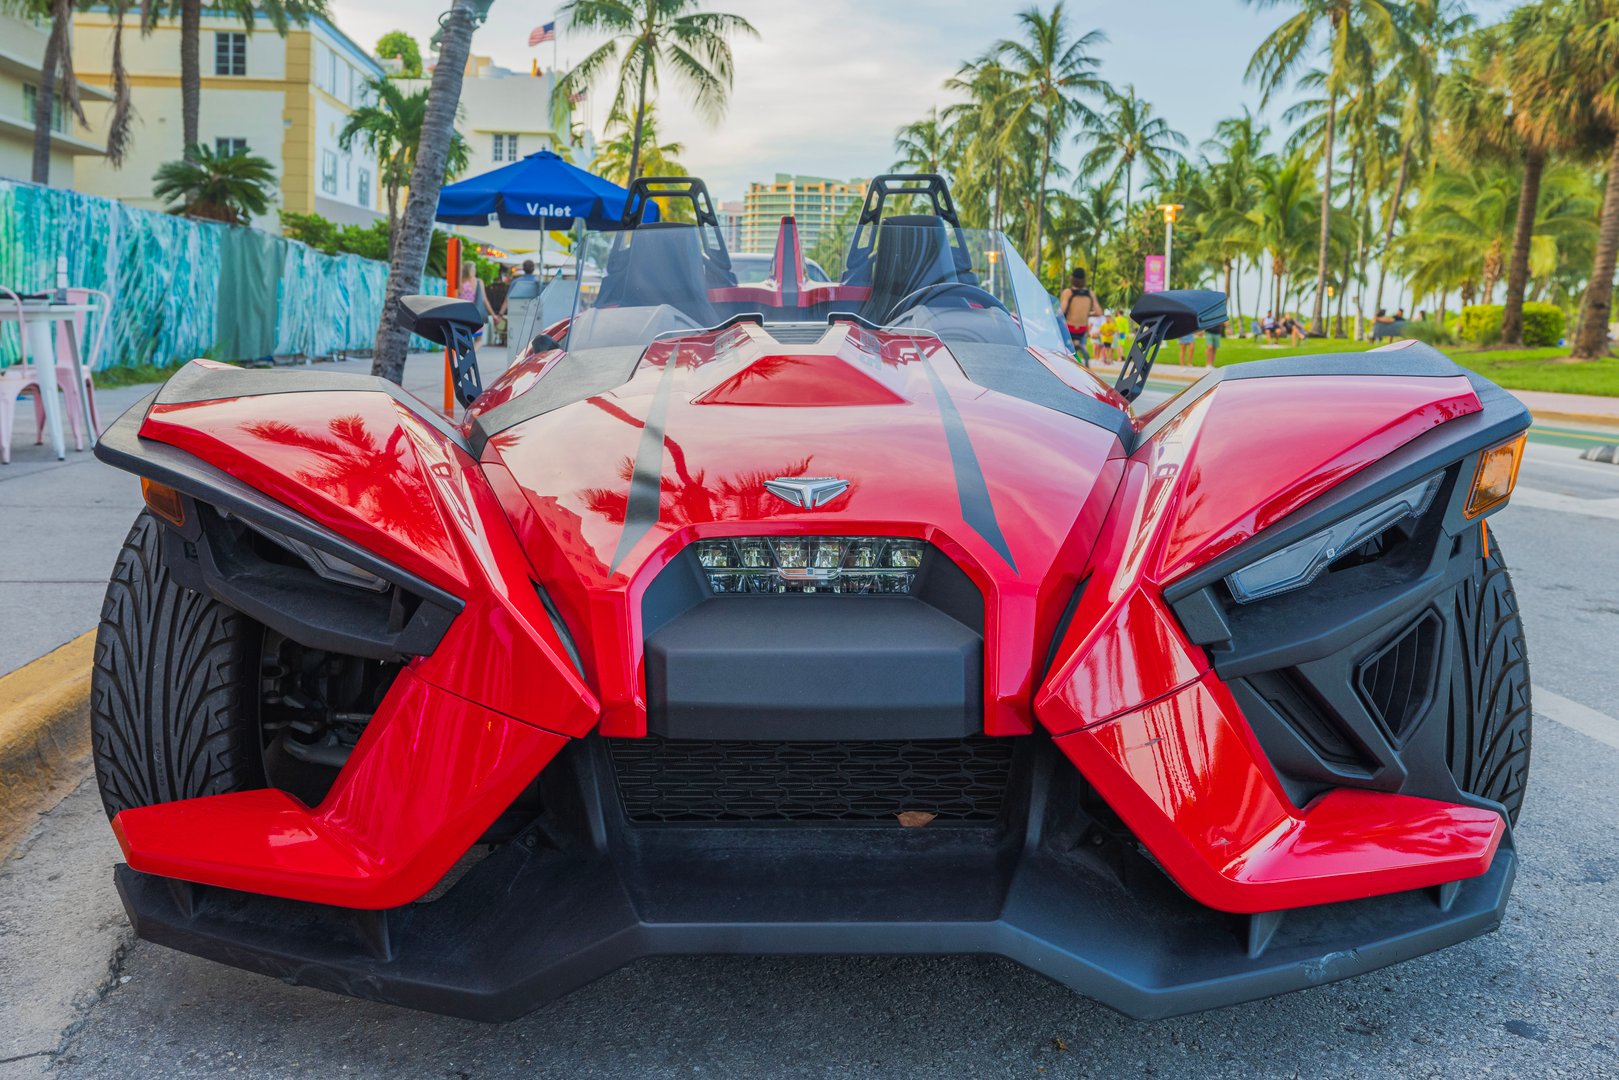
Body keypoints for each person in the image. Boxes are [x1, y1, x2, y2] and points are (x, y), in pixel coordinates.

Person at [1058, 268, 1098, 360]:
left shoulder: (1068, 292)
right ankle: (1082, 354)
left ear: (1072, 278)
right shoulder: (1090, 294)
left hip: (1069, 328)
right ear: (1084, 280)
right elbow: (1099, 312)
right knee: (1081, 347)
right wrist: (1087, 314)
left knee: (1060, 347)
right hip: (1081, 330)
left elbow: (1062, 311)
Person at [456, 260, 491, 339]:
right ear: (470, 270)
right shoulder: (478, 282)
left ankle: (466, 351)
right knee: (478, 339)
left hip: (462, 314)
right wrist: (493, 314)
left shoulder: (460, 282)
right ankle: (470, 351)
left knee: (464, 337)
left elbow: (456, 297)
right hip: (474, 313)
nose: (475, 271)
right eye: (474, 269)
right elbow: (484, 299)